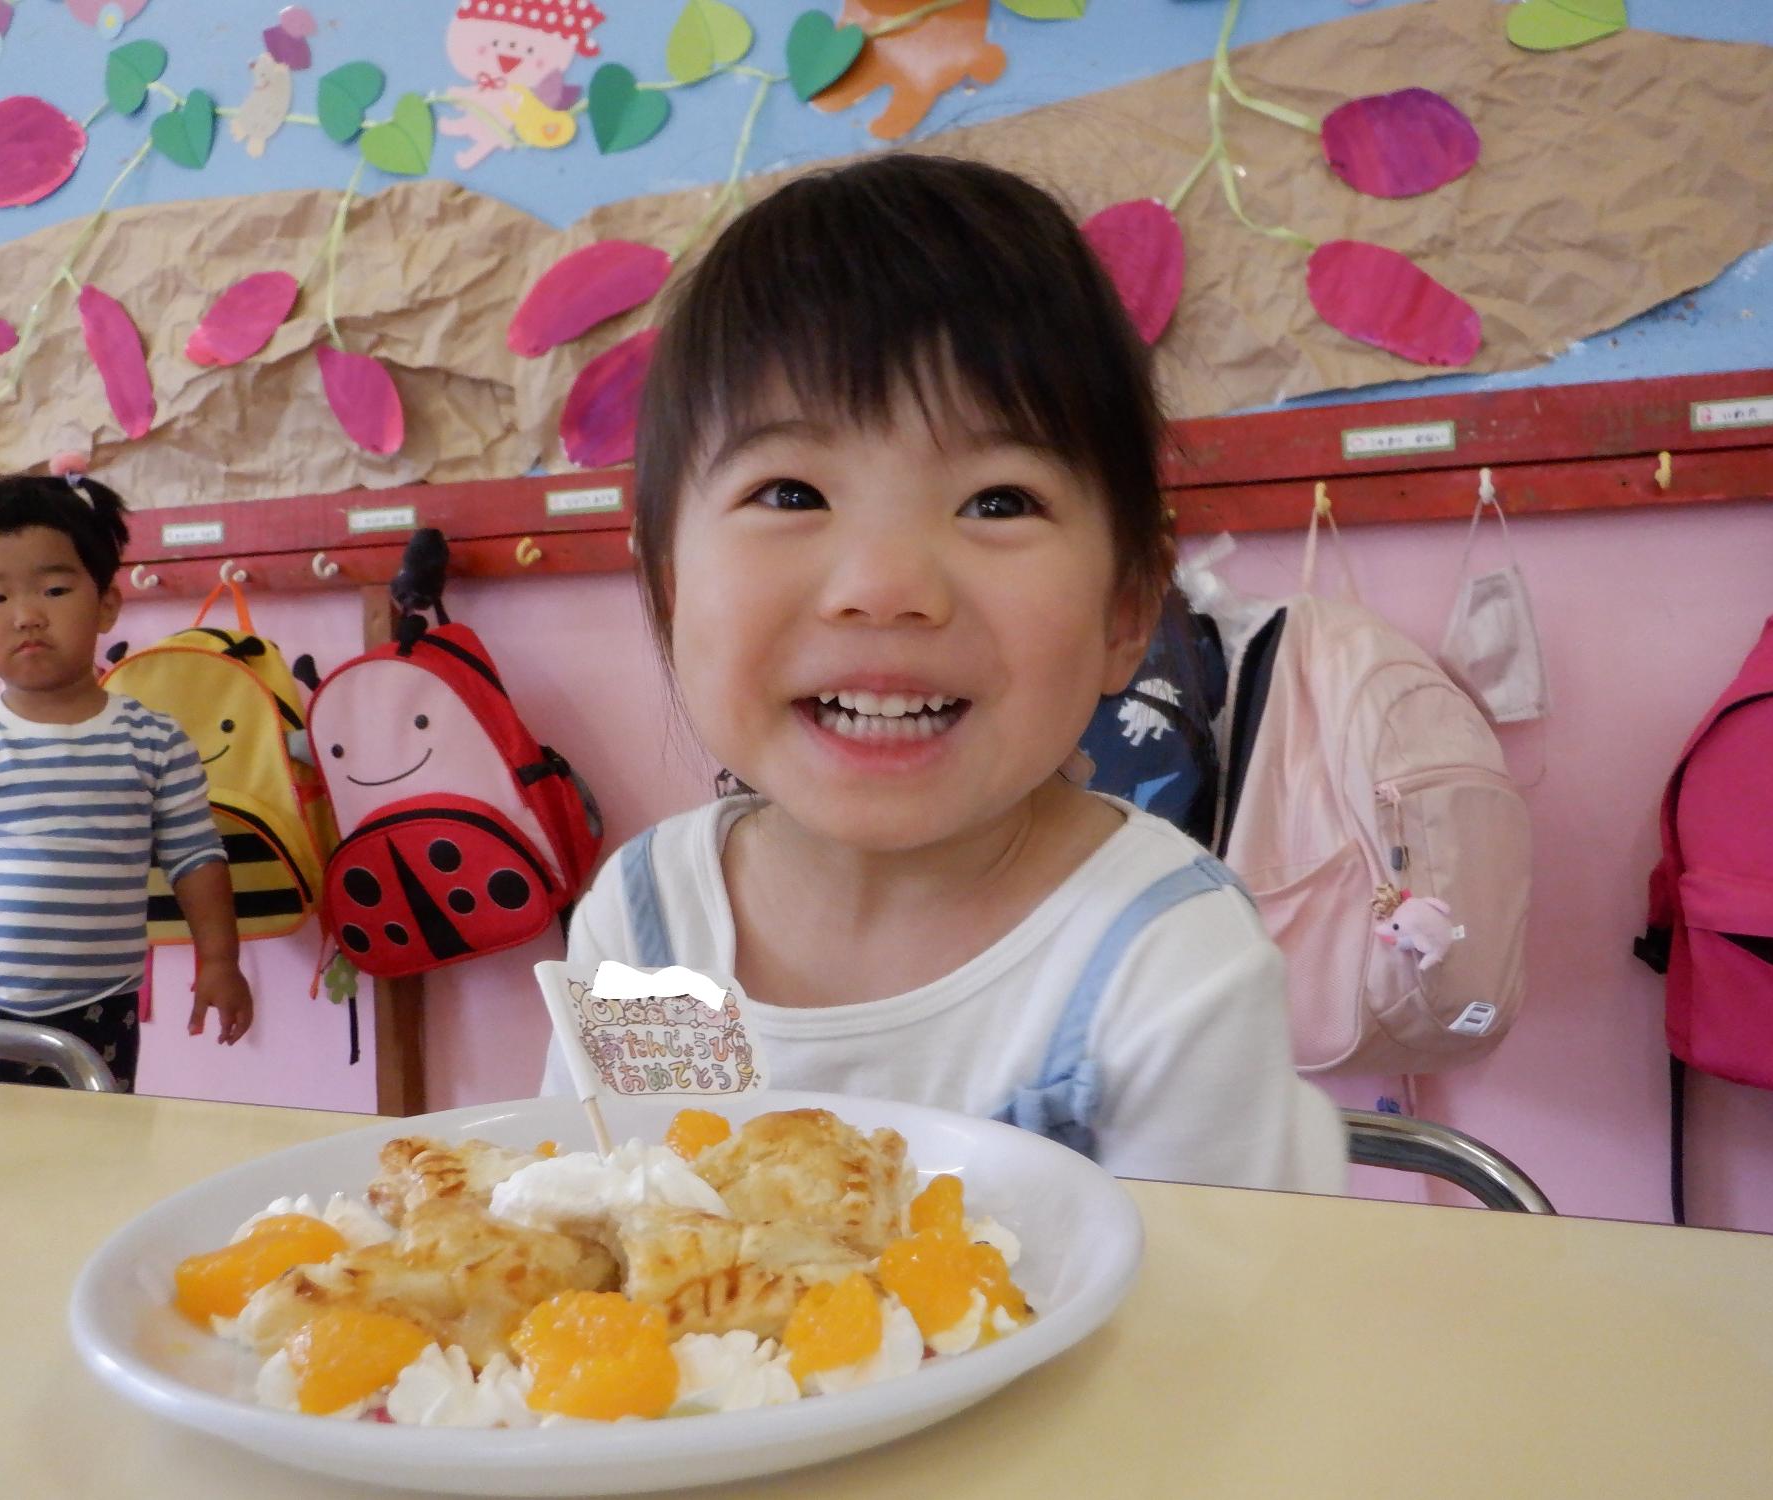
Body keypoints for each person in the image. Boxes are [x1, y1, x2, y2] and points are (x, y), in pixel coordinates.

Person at [542, 154, 1344, 1191]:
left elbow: (1213, 1335)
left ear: (1125, 606)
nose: (884, 586)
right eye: (789, 493)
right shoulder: (653, 927)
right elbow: (632, 1228)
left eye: (996, 500)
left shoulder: (1160, 963)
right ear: (666, 589)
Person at [0, 474, 252, 1090]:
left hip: (101, 1007)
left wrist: (219, 960)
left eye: (55, 588)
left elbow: (197, 858)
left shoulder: (155, 740)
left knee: (95, 1162)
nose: (27, 616)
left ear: (106, 605)